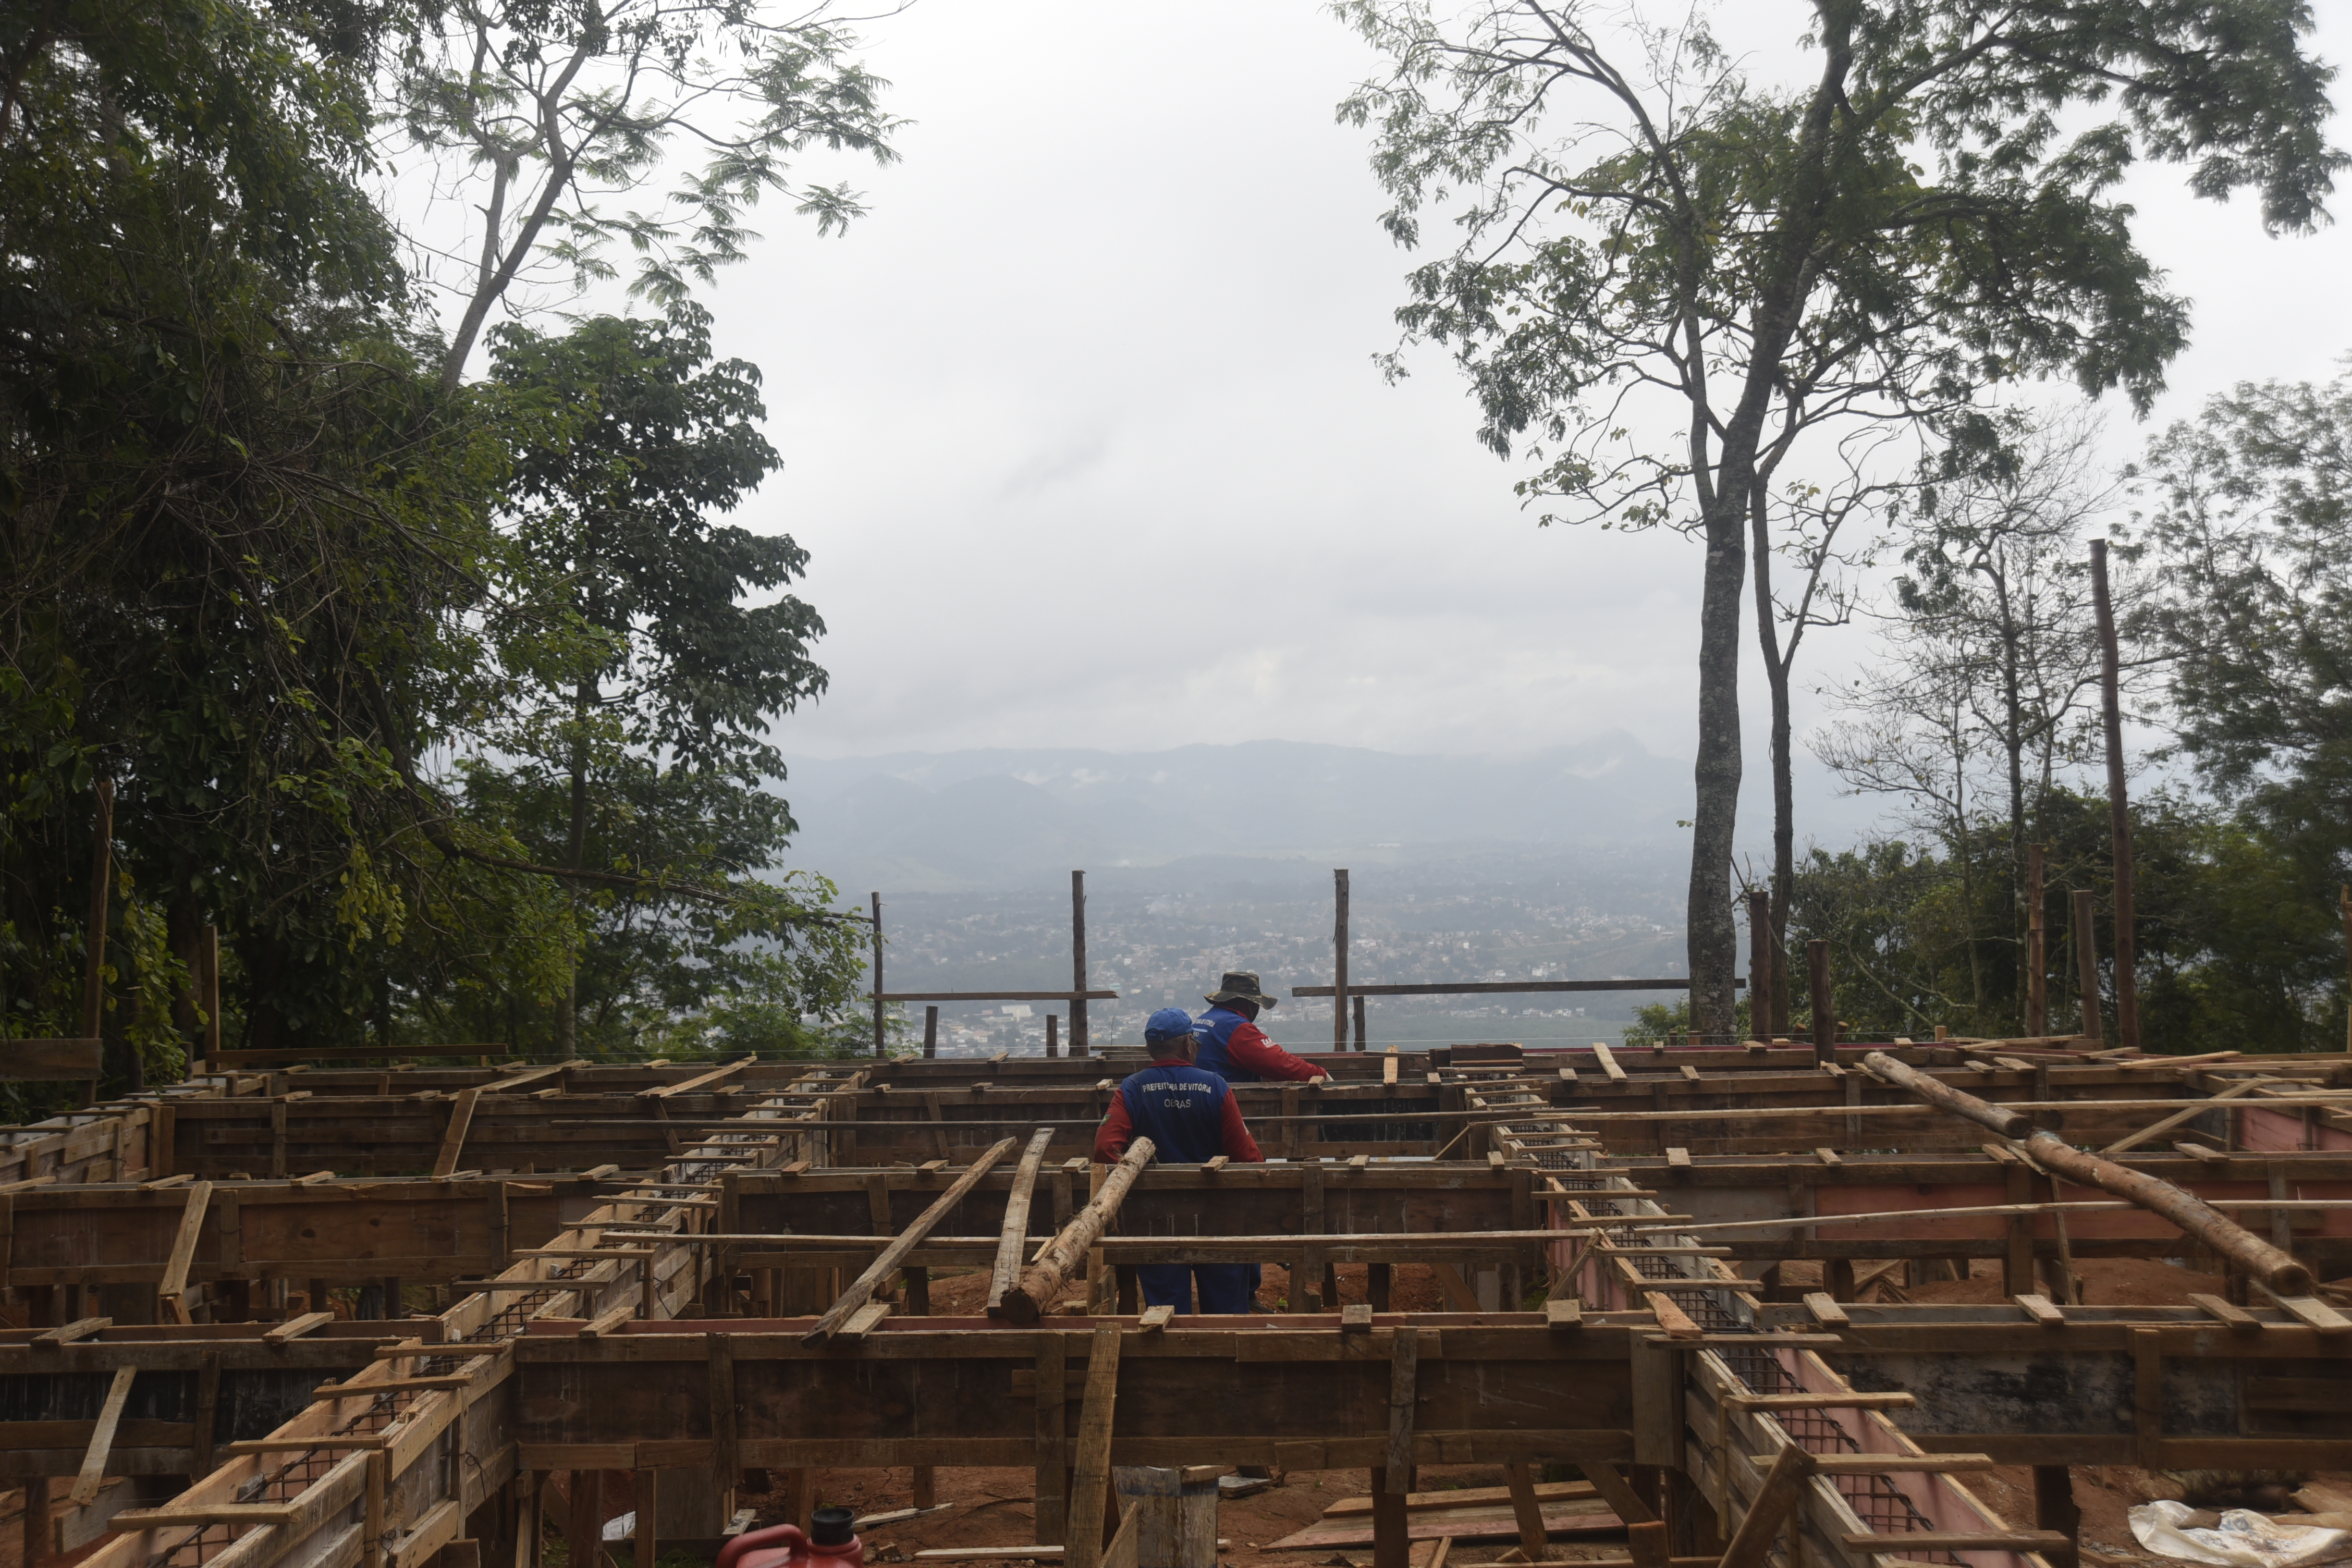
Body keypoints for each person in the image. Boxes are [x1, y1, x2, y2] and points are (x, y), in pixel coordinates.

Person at [1094, 1007, 1263, 1314]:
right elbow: (1248, 1157)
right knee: (1227, 1313)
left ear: (1149, 1049)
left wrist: (1138, 1184)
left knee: (1165, 1313)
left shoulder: (1132, 1089)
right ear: (1187, 1044)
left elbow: (1105, 1150)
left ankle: (1171, 1358)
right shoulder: (1215, 1086)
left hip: (1157, 1219)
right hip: (1218, 1217)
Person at [1191, 971, 1328, 1084]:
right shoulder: (1236, 1028)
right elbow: (1279, 1063)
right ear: (1250, 1005)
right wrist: (1320, 1074)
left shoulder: (1203, 1020)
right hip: (1228, 1103)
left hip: (1202, 1099)